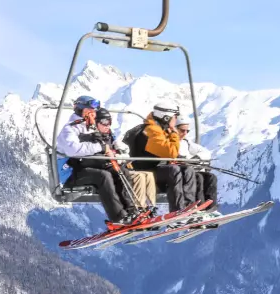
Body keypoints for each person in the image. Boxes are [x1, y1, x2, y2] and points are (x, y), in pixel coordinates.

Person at [57, 96, 138, 227]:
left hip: (87, 166)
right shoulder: (70, 129)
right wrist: (100, 147)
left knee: (120, 171)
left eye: (94, 111)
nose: (92, 114)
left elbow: (106, 141)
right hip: (71, 173)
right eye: (88, 111)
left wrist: (116, 149)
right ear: (79, 110)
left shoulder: (90, 127)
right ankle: (118, 218)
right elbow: (73, 150)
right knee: (103, 177)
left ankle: (132, 211)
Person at [130, 106, 195, 212]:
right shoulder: (152, 130)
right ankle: (177, 210)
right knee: (173, 170)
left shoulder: (161, 130)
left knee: (188, 169)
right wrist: (174, 134)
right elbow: (171, 152)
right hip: (145, 170)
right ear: (166, 117)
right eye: (174, 117)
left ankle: (189, 207)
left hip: (155, 168)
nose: (176, 119)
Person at [176, 120, 219, 213]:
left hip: (189, 170)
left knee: (211, 177)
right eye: (182, 130)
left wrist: (196, 158)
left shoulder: (186, 142)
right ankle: (199, 208)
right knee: (198, 178)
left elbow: (205, 152)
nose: (185, 133)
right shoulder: (169, 142)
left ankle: (211, 208)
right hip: (179, 172)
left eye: (187, 131)